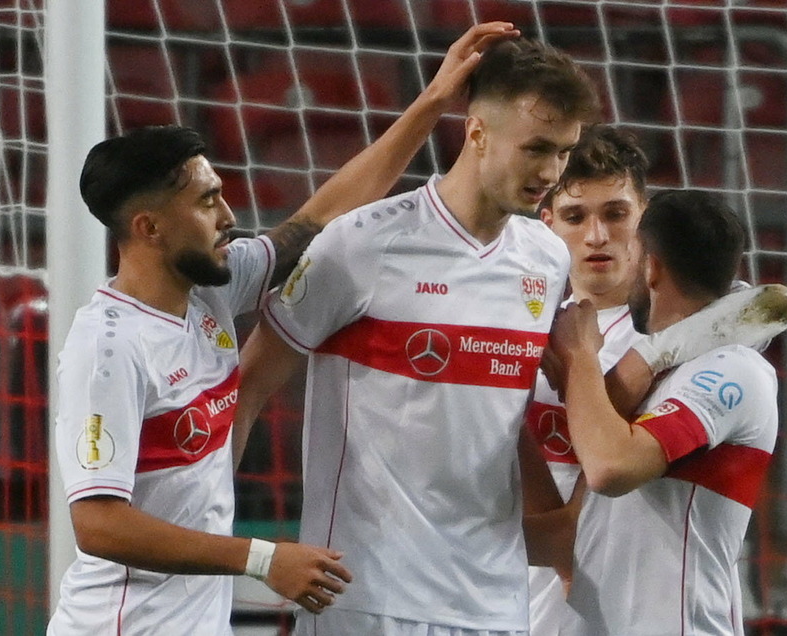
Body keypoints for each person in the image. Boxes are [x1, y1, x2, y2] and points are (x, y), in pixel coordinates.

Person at [46, 22, 520, 636]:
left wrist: (432, 102)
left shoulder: (211, 293)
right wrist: (263, 558)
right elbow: (99, 526)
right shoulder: (107, 349)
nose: (228, 215)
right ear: (149, 228)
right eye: (205, 201)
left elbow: (322, 214)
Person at [235, 37, 600, 635]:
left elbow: (504, 421)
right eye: (535, 148)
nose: (550, 173)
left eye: (563, 152)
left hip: (495, 604)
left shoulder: (546, 258)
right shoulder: (363, 243)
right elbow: (249, 384)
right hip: (367, 597)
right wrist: (206, 530)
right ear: (476, 132)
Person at [549, 189, 785, 635]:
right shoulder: (656, 370)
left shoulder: (734, 369)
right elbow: (563, 525)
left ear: (651, 266)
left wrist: (579, 354)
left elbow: (610, 467)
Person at [523, 124, 649, 634]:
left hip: (617, 602)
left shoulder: (669, 336)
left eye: (616, 213)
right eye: (576, 216)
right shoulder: (513, 320)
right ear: (548, 221)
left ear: (645, 217)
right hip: (506, 589)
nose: (597, 236)